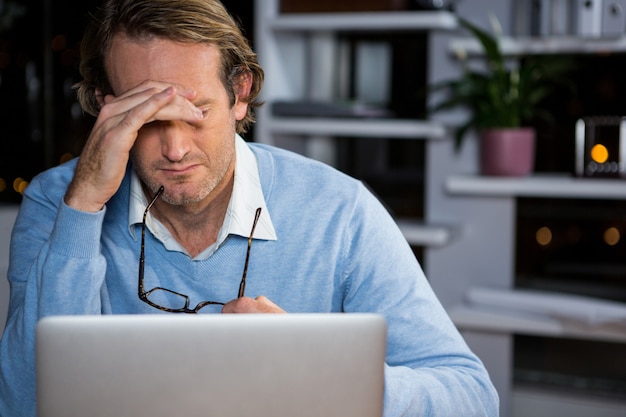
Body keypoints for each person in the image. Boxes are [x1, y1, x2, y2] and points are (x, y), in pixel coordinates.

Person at [0, 0, 499, 415]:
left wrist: (319, 371)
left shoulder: (340, 209)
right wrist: (84, 204)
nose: (174, 149)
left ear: (240, 93)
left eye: (197, 112)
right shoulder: (59, 202)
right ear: (107, 108)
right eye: (143, 117)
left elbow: (472, 397)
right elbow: (25, 401)